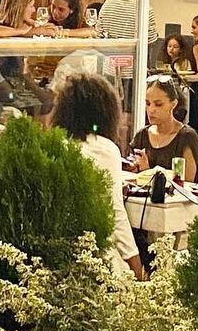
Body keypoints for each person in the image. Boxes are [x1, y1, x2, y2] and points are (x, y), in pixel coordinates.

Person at [52, 73, 142, 277]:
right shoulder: (104, 149)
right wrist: (134, 262)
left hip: (55, 253)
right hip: (96, 255)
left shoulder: (55, 145)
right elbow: (115, 213)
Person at [132, 75, 198, 181]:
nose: (151, 109)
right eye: (148, 103)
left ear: (173, 104)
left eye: (158, 104)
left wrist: (147, 173)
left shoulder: (186, 138)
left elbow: (186, 183)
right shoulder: (141, 135)